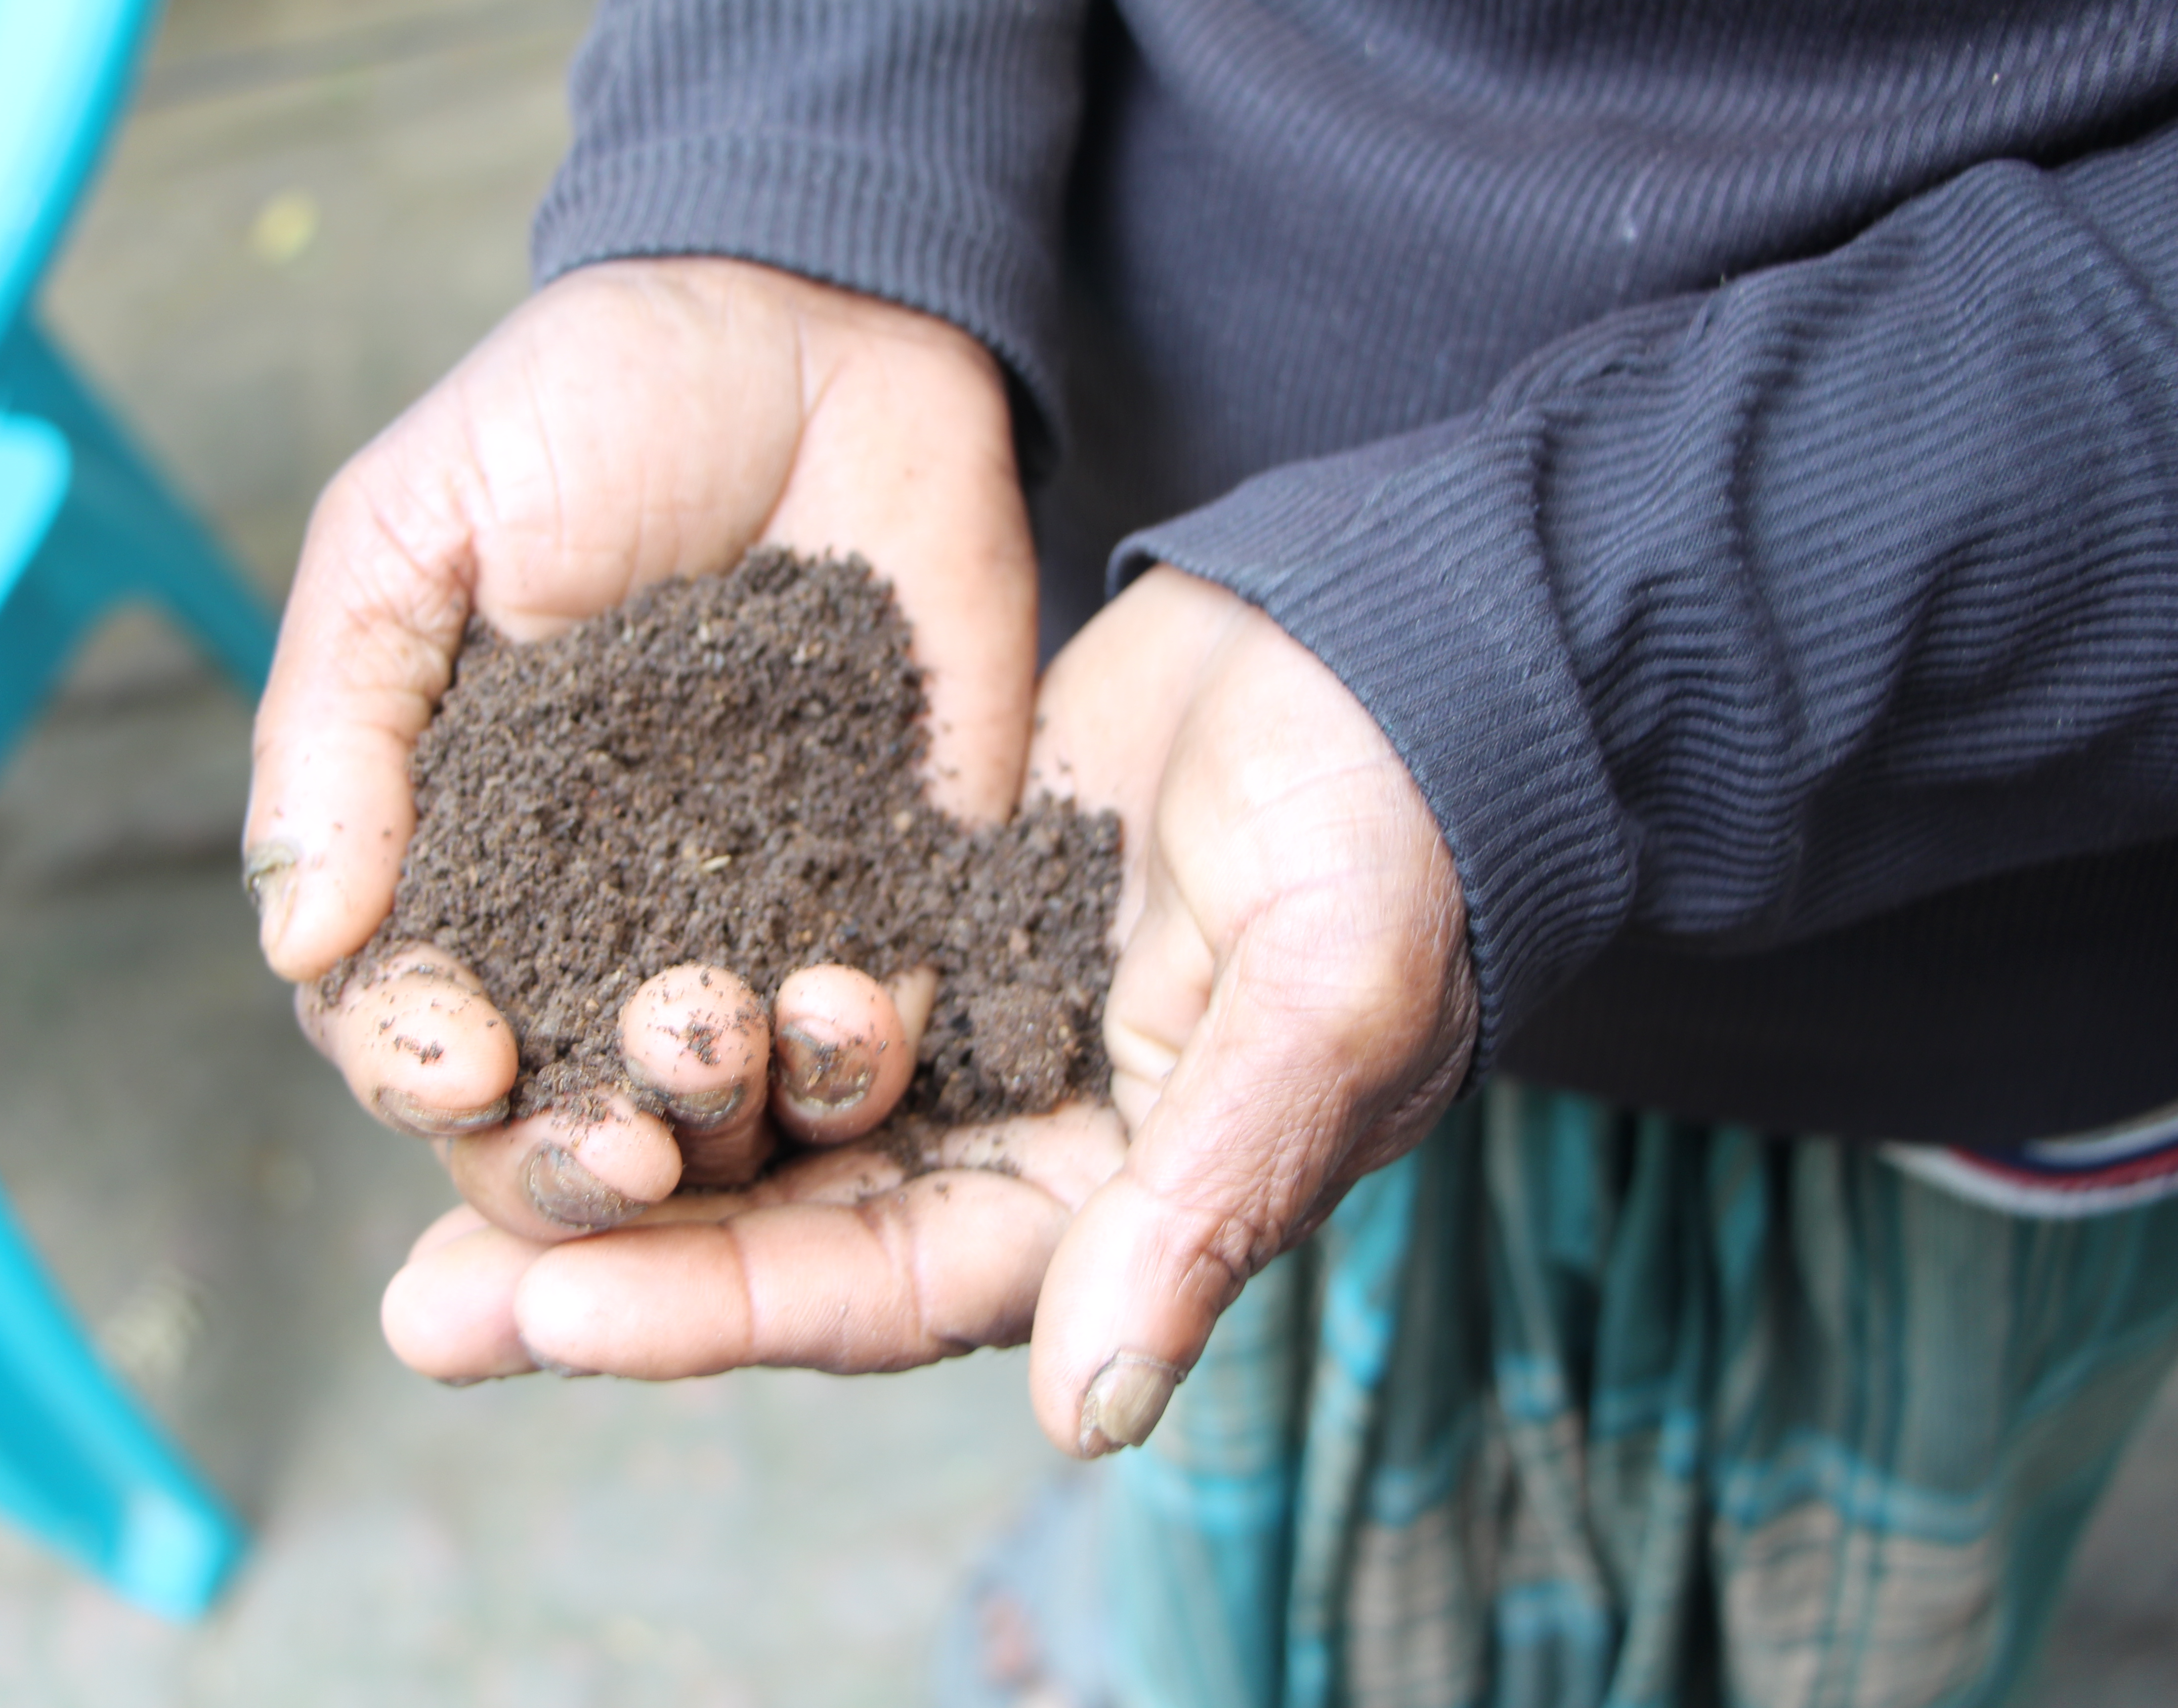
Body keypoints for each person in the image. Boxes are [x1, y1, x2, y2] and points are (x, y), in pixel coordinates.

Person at [241, 3, 2178, 1702]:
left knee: (1825, 1595)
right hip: (1154, 817)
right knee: (1208, 1361)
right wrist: (791, 173)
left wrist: (1555, 654)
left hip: (1955, 939)